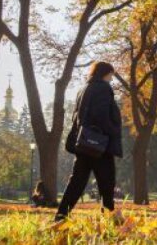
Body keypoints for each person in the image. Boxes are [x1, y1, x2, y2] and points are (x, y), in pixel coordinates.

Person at [54, 61, 122, 222]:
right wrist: (112, 130)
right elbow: (102, 115)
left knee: (76, 183)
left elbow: (76, 115)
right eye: (111, 75)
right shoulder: (104, 88)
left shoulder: (83, 89)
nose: (111, 79)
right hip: (99, 144)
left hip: (83, 143)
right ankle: (110, 219)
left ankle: (60, 216)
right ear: (106, 73)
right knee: (107, 183)